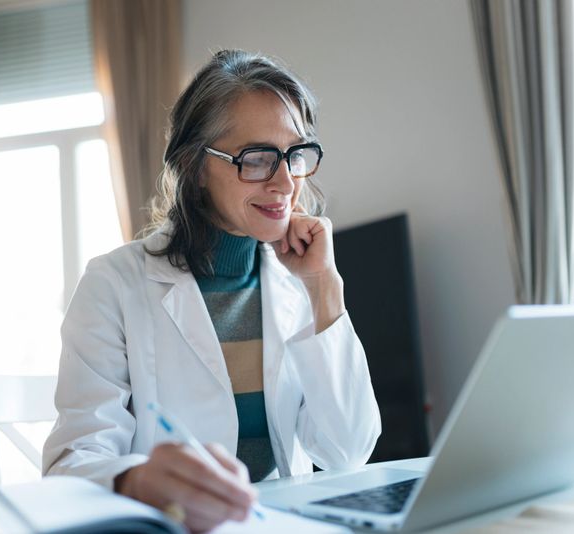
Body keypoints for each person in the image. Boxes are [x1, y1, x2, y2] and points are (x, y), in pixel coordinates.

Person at [42, 49, 380, 533]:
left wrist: (324, 287)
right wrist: (137, 480)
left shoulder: (300, 279)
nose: (286, 182)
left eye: (295, 154)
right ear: (196, 166)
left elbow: (347, 451)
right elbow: (70, 466)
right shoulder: (113, 284)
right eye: (257, 159)